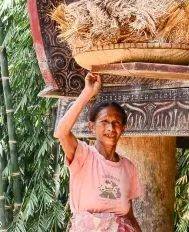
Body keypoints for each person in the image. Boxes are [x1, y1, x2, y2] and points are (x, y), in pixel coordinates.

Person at [55, 73, 142, 232]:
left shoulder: (128, 168)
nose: (110, 128)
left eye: (116, 123)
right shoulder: (83, 155)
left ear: (123, 128)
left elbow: (129, 216)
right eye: (104, 122)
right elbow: (61, 132)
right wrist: (87, 93)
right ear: (92, 127)